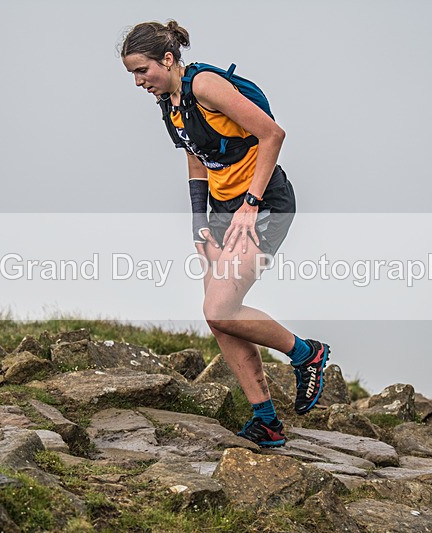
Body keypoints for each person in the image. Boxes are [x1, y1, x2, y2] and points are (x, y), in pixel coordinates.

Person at [119, 20, 330, 447]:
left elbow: (273, 134)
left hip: (263, 205)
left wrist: (250, 206)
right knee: (220, 319)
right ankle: (266, 421)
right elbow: (197, 158)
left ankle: (307, 353)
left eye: (143, 71)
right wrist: (200, 222)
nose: (139, 82)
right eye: (133, 75)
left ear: (168, 59)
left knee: (219, 309)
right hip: (223, 213)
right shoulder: (171, 102)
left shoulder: (206, 86)